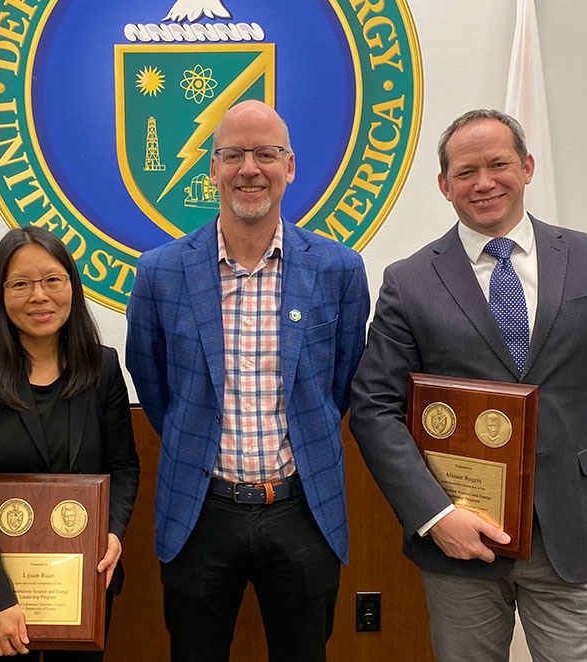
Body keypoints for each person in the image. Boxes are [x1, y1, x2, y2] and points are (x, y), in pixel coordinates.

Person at [349, 109, 587, 662]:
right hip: (462, 539)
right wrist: (436, 517)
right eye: (466, 171)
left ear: (527, 167)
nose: (484, 182)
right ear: (444, 185)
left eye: (499, 164)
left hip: (577, 532)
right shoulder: (410, 280)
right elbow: (373, 408)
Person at [126, 100, 369, 662]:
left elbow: (342, 381)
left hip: (303, 510)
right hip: (200, 510)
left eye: (265, 154)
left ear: (290, 166)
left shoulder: (340, 269)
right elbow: (154, 384)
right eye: (232, 154)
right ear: (211, 169)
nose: (249, 168)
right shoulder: (160, 272)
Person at [0, 226, 140, 660]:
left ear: (72, 284)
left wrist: (112, 533)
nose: (39, 296)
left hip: (85, 578)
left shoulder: (102, 367)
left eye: (52, 279)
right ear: (1, 293)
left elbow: (123, 466)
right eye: (21, 284)